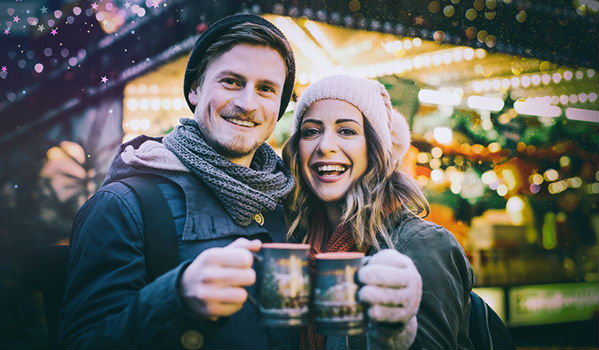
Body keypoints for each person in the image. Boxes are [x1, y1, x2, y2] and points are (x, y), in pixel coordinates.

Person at [57, 14, 299, 349]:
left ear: (279, 106)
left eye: (266, 89)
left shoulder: (287, 202)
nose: (247, 103)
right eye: (230, 81)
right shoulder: (124, 206)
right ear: (195, 90)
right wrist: (176, 298)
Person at [283, 74, 475, 349]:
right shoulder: (292, 239)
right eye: (311, 131)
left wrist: (393, 336)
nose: (325, 146)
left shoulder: (423, 245)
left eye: (346, 131)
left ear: (374, 148)